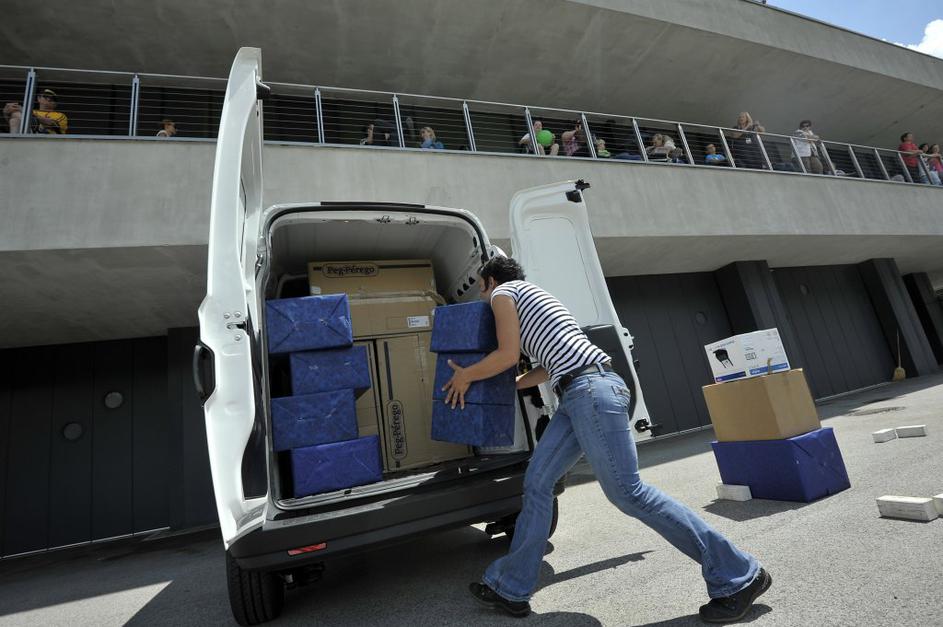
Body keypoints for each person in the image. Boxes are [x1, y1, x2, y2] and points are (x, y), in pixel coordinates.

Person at [447, 256, 771, 623]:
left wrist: (467, 376)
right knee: (537, 483)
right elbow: (547, 366)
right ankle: (511, 587)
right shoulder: (537, 298)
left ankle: (738, 574)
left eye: (480, 287)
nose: (481, 295)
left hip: (589, 391)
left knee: (628, 492)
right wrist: (511, 384)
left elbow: (506, 355)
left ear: (490, 280)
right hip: (578, 393)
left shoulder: (503, 293)